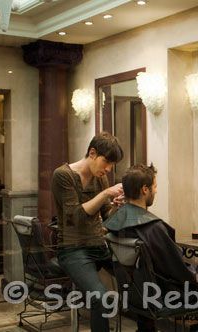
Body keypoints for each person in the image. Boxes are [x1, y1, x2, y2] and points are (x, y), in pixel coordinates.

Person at [103, 164, 198, 332]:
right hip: (169, 295)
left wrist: (196, 271)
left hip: (137, 295)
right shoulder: (153, 228)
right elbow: (179, 271)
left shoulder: (116, 223)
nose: (156, 191)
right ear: (144, 189)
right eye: (155, 187)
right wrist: (194, 276)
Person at [52, 132, 125, 332]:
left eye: (112, 165)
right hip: (72, 250)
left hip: (99, 246)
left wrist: (116, 207)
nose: (108, 169)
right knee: (99, 298)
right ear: (92, 153)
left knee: (139, 278)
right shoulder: (63, 175)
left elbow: (107, 217)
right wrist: (104, 195)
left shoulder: (99, 177)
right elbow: (74, 216)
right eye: (106, 162)